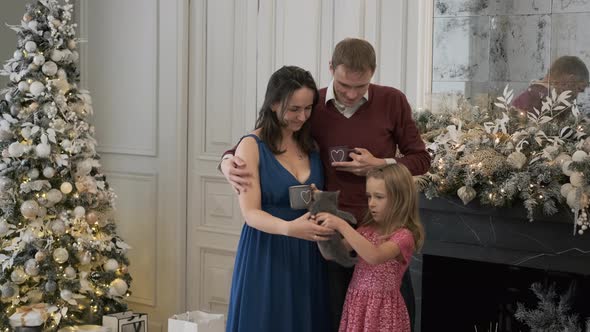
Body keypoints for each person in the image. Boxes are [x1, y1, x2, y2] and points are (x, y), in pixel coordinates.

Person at [221, 38, 431, 331]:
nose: (351, 94)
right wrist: (226, 160)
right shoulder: (312, 105)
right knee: (333, 319)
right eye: (344, 85)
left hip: (381, 231)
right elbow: (262, 140)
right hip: (327, 238)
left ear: (373, 72)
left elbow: (422, 159)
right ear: (331, 68)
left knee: (388, 316)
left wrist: (380, 163)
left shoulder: (391, 100)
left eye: (361, 87)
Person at [225, 65, 335, 332]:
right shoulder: (252, 146)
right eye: (294, 109)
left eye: (308, 108)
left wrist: (320, 202)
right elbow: (250, 213)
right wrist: (290, 228)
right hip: (268, 250)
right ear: (274, 104)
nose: (302, 116)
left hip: (308, 253)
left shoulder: (310, 144)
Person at [315, 163, 425, 332]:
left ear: (400, 198)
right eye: (369, 196)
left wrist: (342, 225)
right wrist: (320, 227)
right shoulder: (366, 230)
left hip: (384, 310)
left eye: (379, 197)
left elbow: (374, 256)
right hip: (358, 306)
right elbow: (331, 254)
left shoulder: (404, 236)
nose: (371, 203)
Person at [512, 55, 589, 118]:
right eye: (578, 89)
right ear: (570, 80)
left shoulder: (533, 93)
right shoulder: (541, 99)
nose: (576, 95)